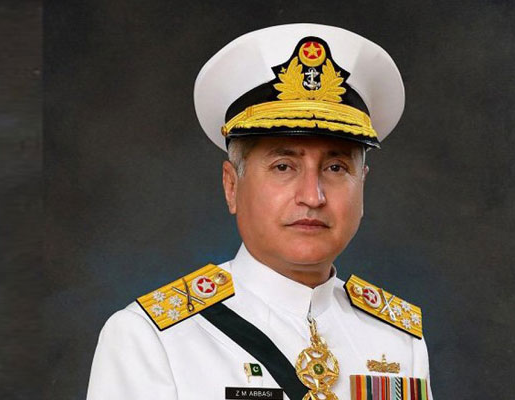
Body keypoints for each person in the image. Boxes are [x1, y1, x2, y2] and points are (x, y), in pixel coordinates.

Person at [87, 23, 432, 400]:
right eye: (283, 166)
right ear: (231, 185)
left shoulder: (398, 341)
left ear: (362, 184)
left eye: (335, 168)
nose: (312, 196)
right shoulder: (154, 341)